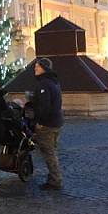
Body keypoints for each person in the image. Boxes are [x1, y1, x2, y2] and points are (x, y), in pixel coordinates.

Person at [32, 57, 64, 190]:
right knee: (52, 151)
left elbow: (45, 106)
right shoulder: (54, 82)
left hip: (48, 124)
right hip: (56, 122)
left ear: (44, 68)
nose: (35, 69)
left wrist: (40, 122)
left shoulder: (44, 84)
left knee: (48, 152)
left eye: (37, 67)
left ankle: (55, 180)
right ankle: (55, 178)